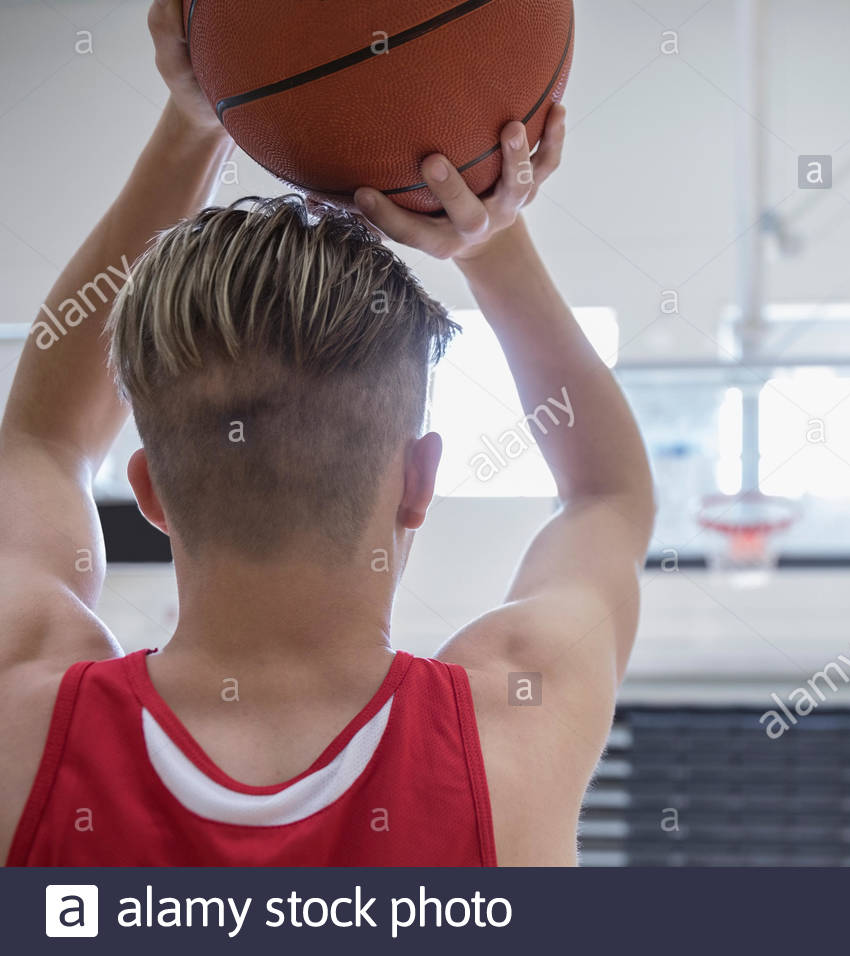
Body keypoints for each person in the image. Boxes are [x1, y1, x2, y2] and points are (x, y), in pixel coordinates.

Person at [0, 0, 653, 866]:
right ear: (420, 482)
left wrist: (199, 122)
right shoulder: (509, 734)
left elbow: (43, 439)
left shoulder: (30, 718)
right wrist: (481, 226)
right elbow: (610, 496)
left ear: (151, 489)